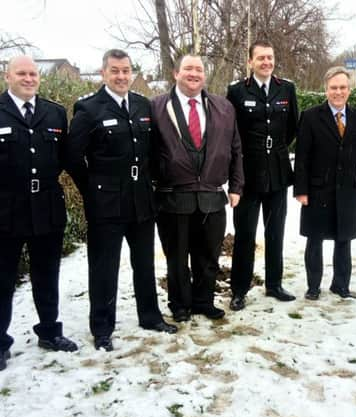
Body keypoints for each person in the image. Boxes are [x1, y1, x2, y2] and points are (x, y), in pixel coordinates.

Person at [65, 49, 177, 352]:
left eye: (126, 70)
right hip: (107, 204)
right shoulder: (89, 109)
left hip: (141, 199)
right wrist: (92, 191)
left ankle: (149, 316)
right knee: (104, 267)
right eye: (115, 70)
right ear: (103, 73)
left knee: (144, 263)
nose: (121, 76)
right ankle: (102, 327)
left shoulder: (142, 105)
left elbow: (152, 150)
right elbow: (73, 156)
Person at [151, 54, 244, 322]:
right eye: (188, 68)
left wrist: (236, 186)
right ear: (175, 73)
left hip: (212, 196)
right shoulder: (156, 107)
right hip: (173, 197)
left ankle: (204, 301)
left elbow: (236, 149)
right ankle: (180, 304)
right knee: (177, 258)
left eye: (199, 69)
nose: (194, 74)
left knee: (209, 257)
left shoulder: (223, 107)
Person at [0, 56, 77, 370]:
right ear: (8, 76)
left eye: (33, 73)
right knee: (2, 279)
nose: (29, 78)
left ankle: (49, 332)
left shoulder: (54, 112)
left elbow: (64, 158)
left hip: (46, 206)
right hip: (6, 209)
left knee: (47, 275)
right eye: (22, 73)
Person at [226, 40, 299, 311]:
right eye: (260, 58)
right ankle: (239, 289)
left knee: (276, 232)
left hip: (278, 173)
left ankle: (274, 284)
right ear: (250, 62)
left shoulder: (286, 89)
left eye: (270, 57)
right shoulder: (236, 91)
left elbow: (291, 127)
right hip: (248, 173)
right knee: (245, 234)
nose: (266, 62)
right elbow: (231, 133)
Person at [294, 67, 356, 300]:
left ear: (349, 90)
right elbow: (302, 157)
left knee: (344, 240)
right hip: (318, 189)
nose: (338, 92)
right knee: (315, 239)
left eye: (342, 87)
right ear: (326, 90)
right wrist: (301, 190)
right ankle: (313, 286)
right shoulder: (310, 116)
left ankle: (340, 285)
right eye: (334, 88)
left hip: (348, 190)